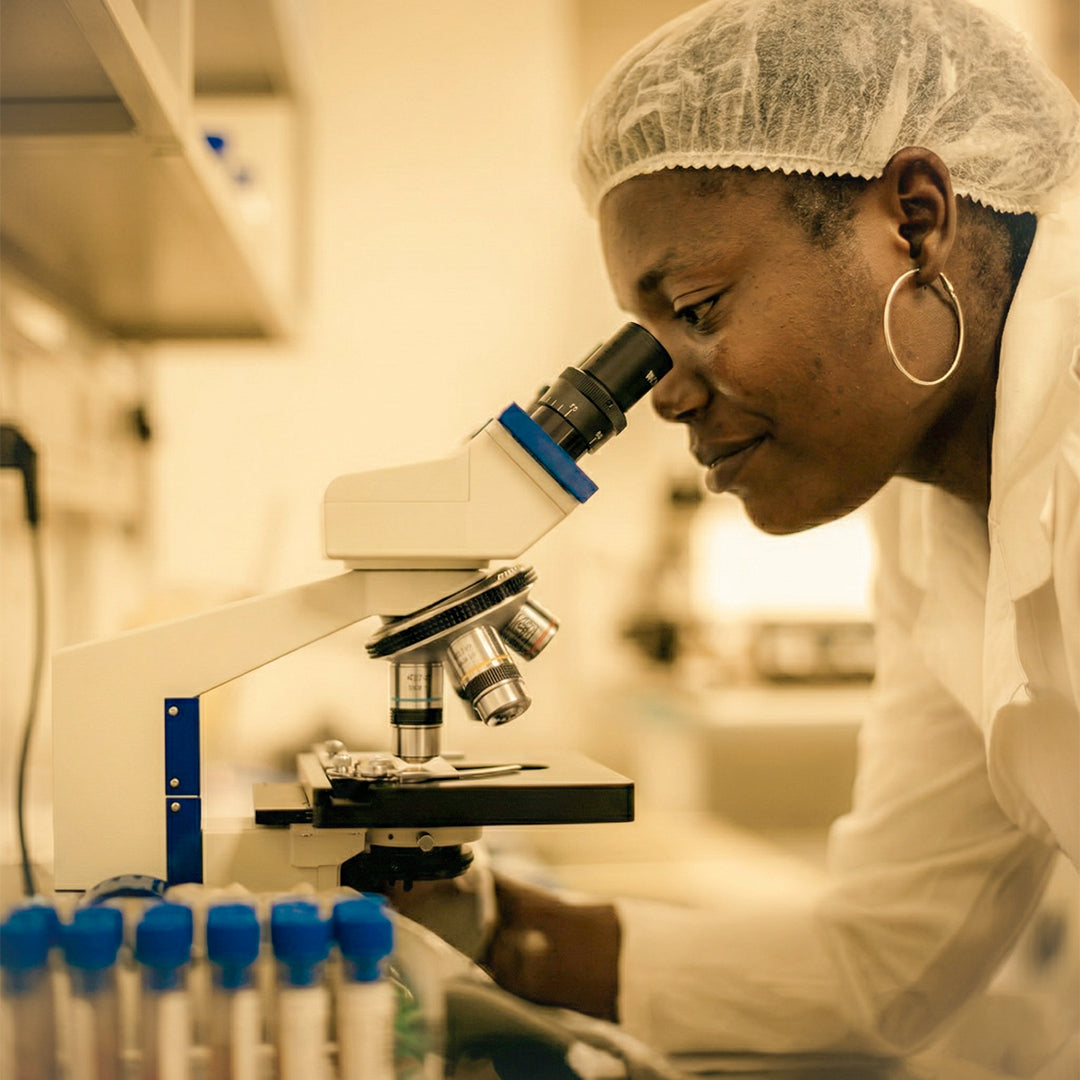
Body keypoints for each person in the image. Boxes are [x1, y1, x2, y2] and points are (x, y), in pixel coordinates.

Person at [403, 0, 1080, 1071]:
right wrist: (483, 924)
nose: (664, 397)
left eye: (701, 309)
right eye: (646, 341)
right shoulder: (931, 519)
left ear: (915, 215)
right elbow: (880, 961)